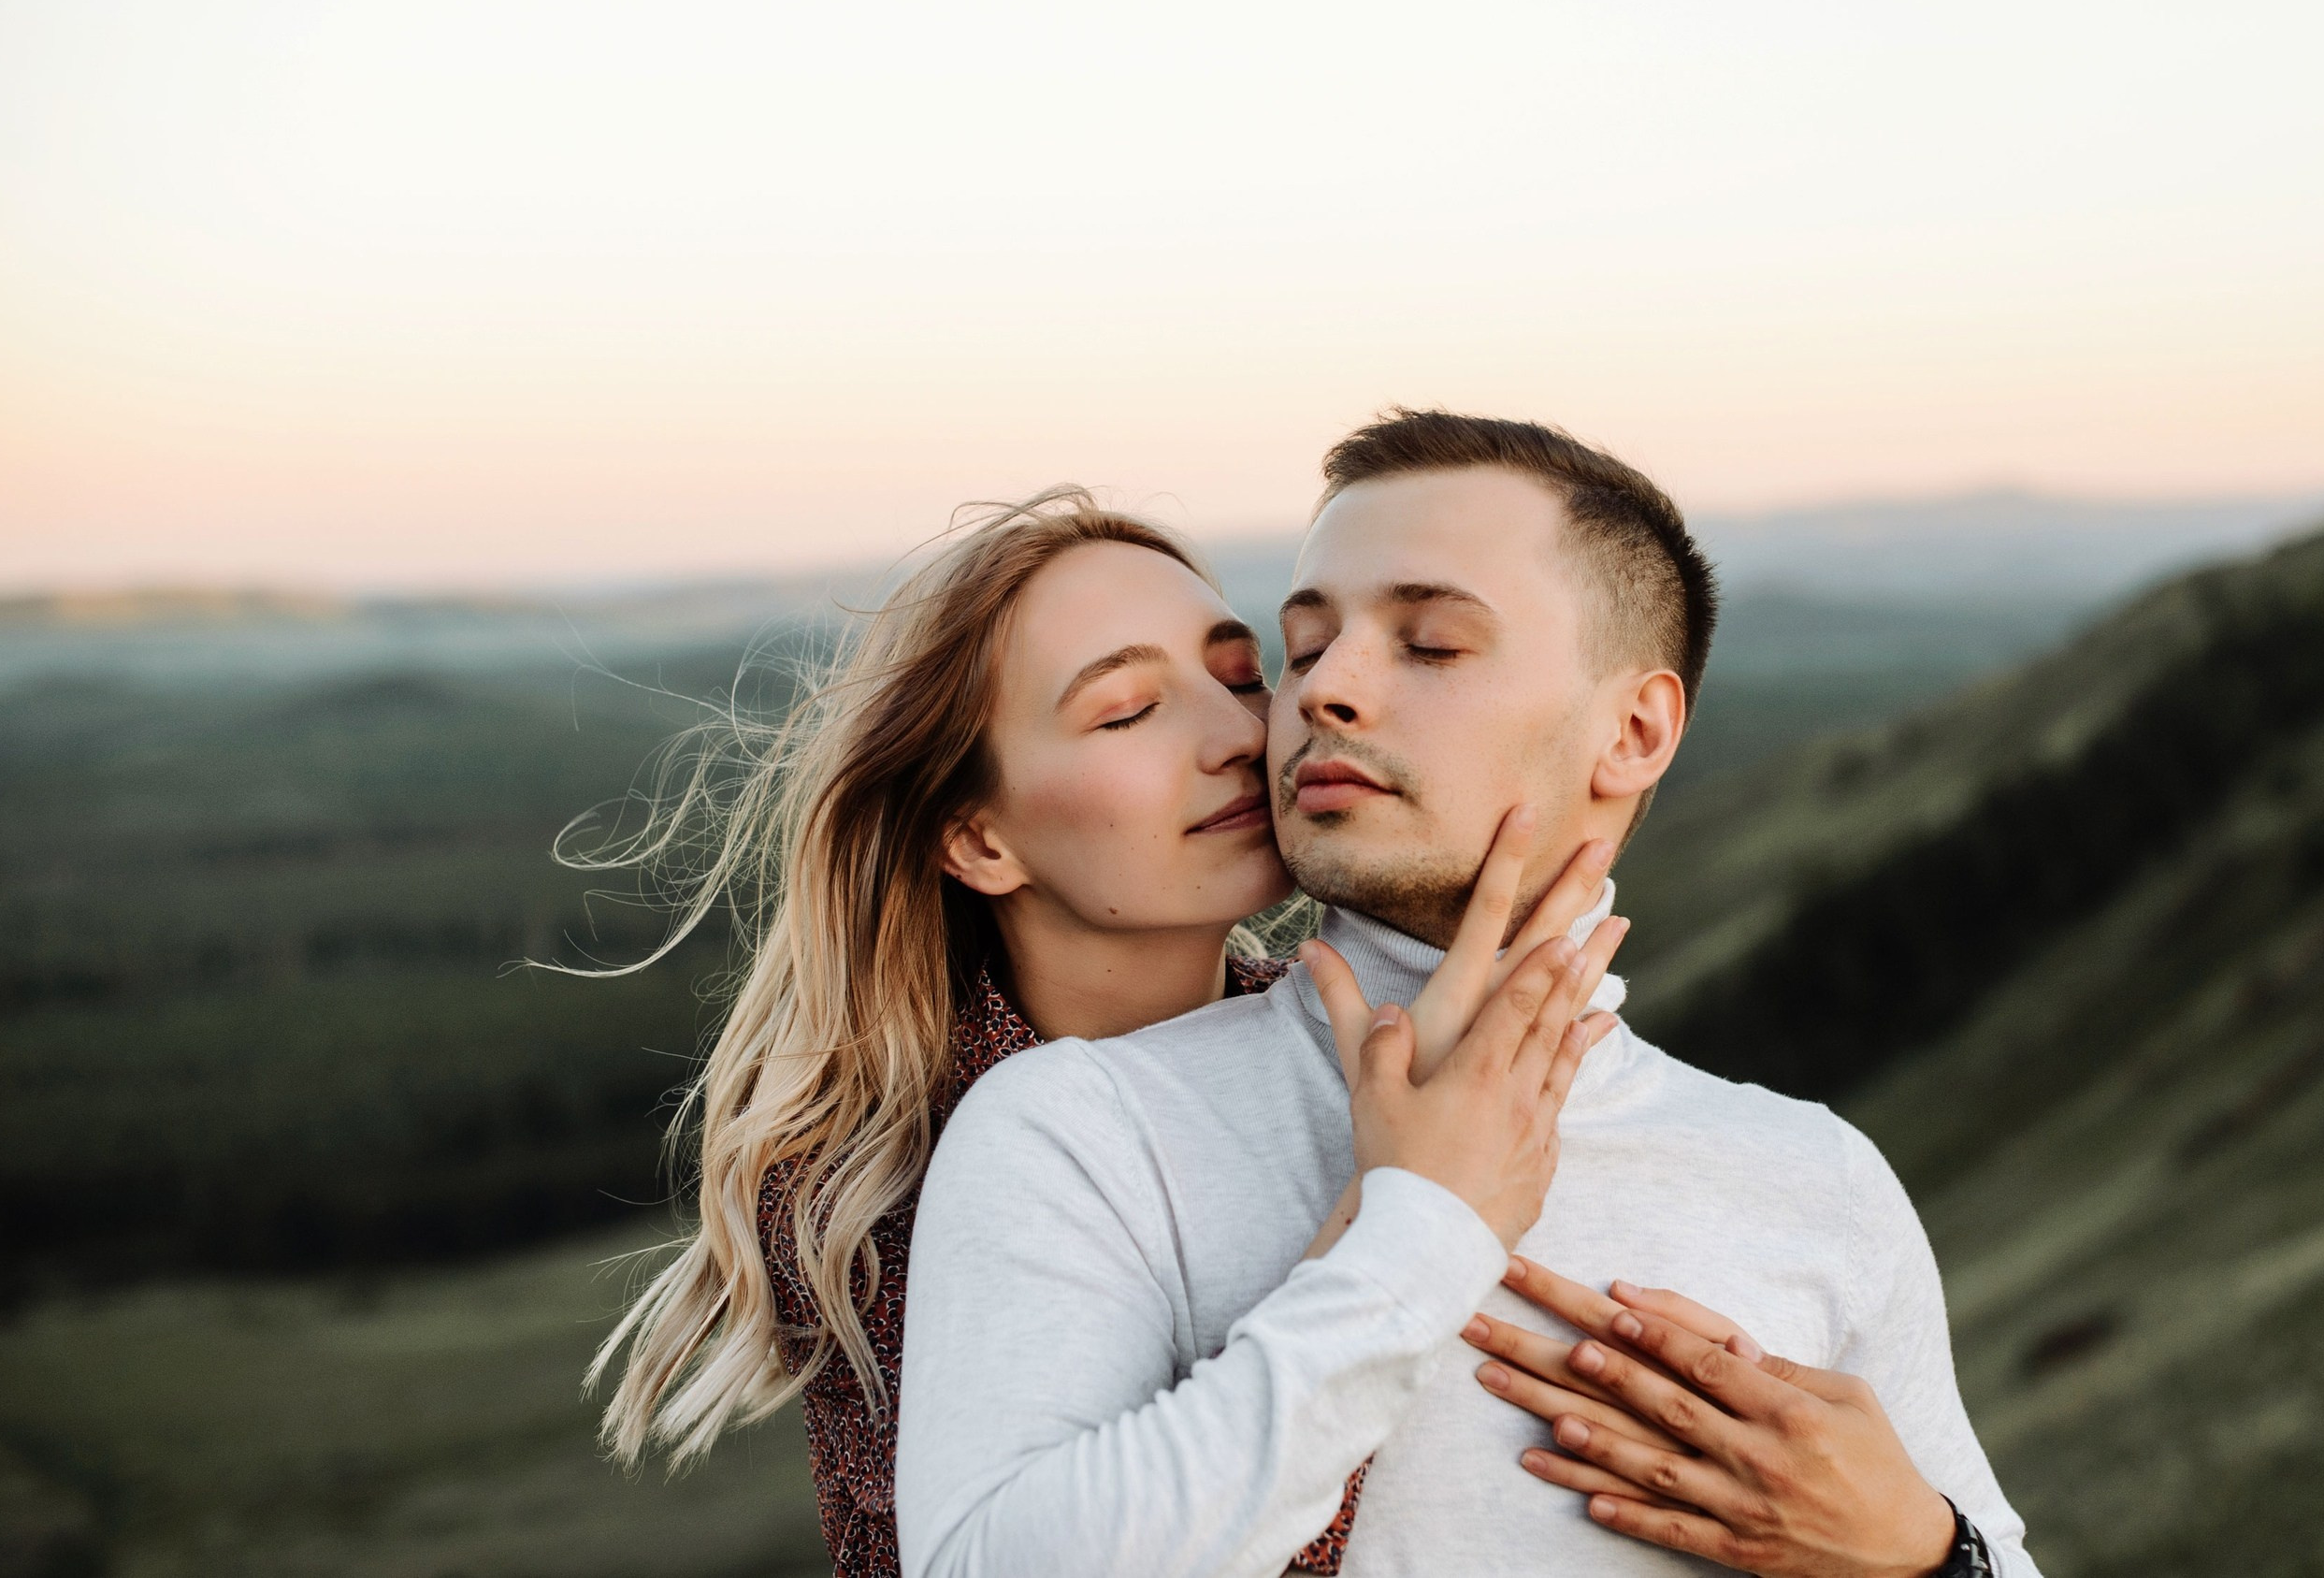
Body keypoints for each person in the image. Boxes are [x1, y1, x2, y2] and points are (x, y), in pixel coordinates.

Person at [896, 412, 2041, 1577]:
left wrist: (1929, 1557)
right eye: (1303, 645)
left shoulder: (1813, 1175)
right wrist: (1423, 1226)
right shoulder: (1083, 1127)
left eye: (1430, 644)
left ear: (1634, 730)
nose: (1321, 691)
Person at [573, 487, 1621, 1578]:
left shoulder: (1375, 1047)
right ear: (978, 839)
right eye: (1126, 711)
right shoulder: (903, 1195)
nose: (1239, 736)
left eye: (1239, 675)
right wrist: (1401, 1222)